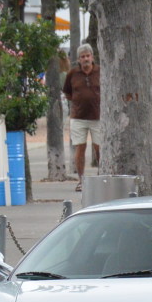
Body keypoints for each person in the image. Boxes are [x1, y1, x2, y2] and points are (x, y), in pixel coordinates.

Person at [62, 43, 100, 191]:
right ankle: (81, 180)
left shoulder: (100, 72)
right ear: (78, 59)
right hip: (78, 117)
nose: (85, 59)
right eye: (82, 57)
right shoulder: (72, 74)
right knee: (80, 148)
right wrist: (78, 102)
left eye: (87, 56)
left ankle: (101, 177)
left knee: (99, 148)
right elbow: (67, 92)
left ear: (92, 57)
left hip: (98, 116)